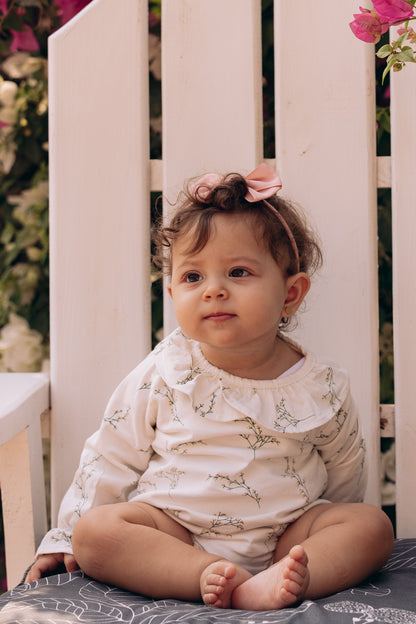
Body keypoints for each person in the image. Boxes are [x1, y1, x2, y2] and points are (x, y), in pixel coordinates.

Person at [26, 164, 394, 611]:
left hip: (287, 538)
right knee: (95, 534)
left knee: (370, 525)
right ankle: (217, 579)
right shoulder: (167, 369)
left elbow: (345, 473)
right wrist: (65, 534)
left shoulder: (319, 384)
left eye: (238, 273)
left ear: (291, 294)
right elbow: (112, 453)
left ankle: (282, 579)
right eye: (193, 277)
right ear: (172, 293)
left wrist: (325, 538)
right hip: (175, 533)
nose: (213, 291)